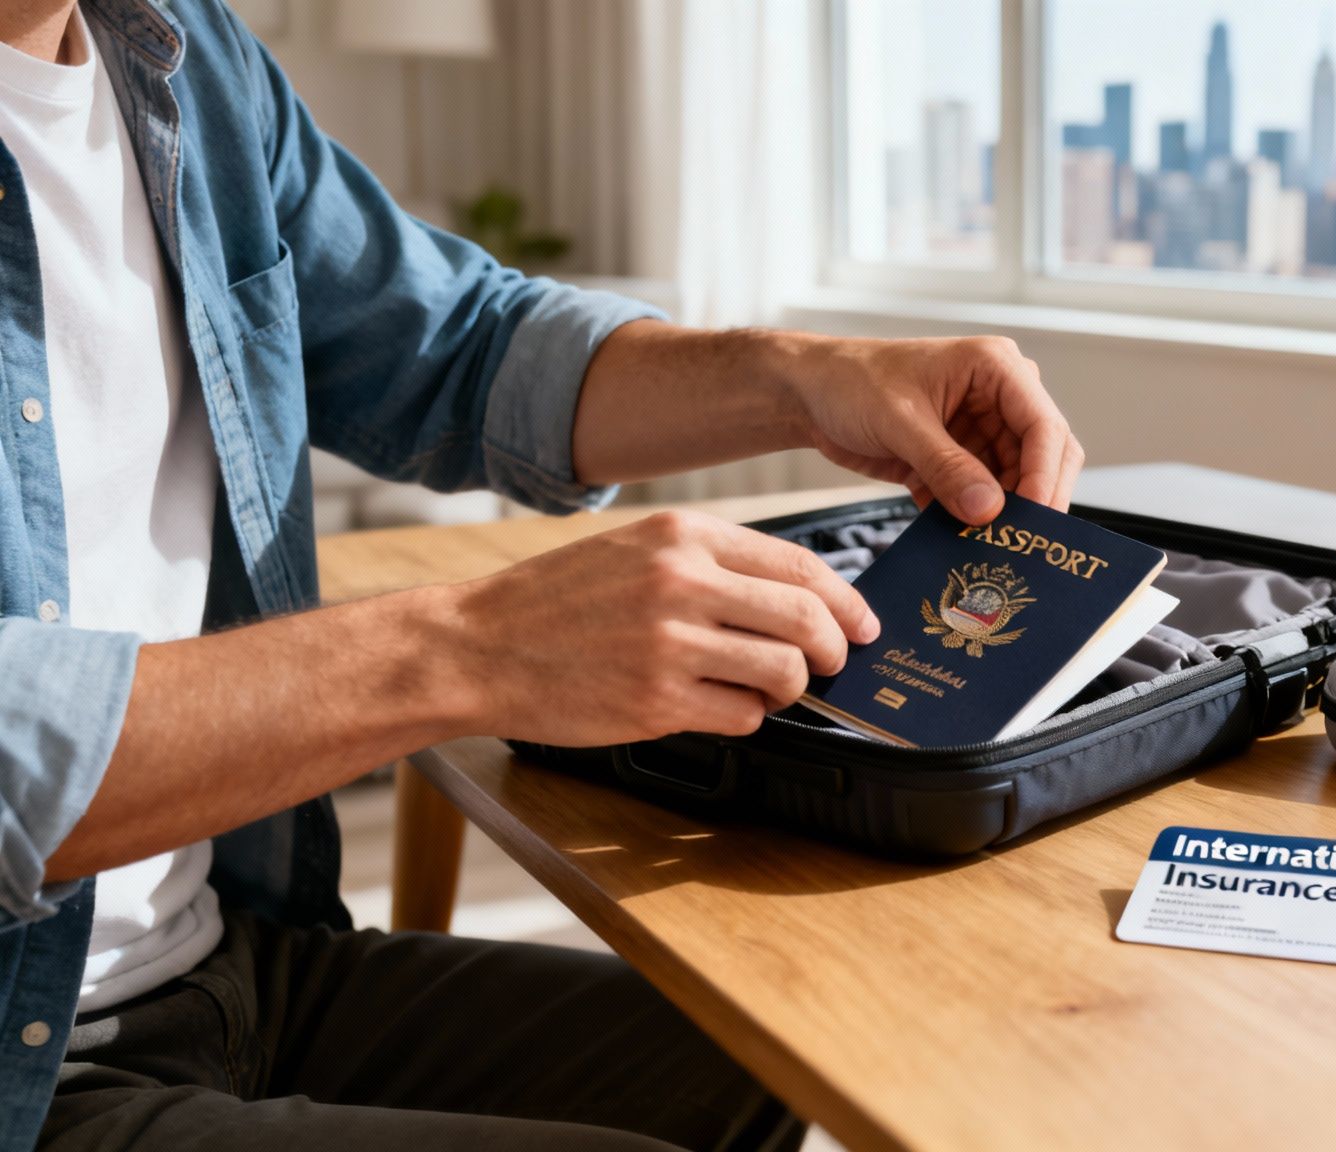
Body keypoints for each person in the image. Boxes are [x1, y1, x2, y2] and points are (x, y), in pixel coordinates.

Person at [0, 1, 1082, 1148]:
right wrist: (473, 649)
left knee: (777, 1048)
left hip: (223, 952)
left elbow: (462, 345)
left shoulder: (185, 56)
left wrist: (804, 376)